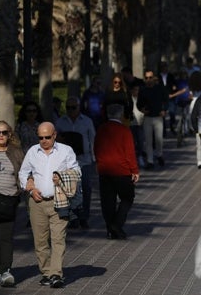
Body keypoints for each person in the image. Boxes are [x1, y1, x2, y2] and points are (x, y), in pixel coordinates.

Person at [19, 122, 81, 289]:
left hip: (58, 201)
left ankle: (56, 274)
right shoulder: (33, 151)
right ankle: (46, 272)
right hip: (37, 202)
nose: (44, 140)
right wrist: (30, 188)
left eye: (47, 137)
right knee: (40, 241)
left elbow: (77, 172)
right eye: (40, 137)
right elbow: (23, 172)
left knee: (58, 238)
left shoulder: (66, 150)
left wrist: (62, 176)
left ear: (54, 135)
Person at [94, 104, 140, 240]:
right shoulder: (124, 130)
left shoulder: (101, 129)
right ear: (120, 115)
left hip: (105, 169)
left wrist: (100, 163)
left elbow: (96, 148)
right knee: (127, 197)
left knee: (108, 201)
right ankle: (117, 224)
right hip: (121, 170)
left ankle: (110, 228)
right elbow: (130, 153)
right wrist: (134, 170)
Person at [55, 97, 96, 229]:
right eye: (68, 108)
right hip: (66, 163)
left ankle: (84, 217)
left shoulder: (87, 121)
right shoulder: (60, 122)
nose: (71, 110)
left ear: (79, 107)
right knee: (69, 191)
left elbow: (93, 139)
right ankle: (73, 217)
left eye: (74, 107)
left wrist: (94, 159)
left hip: (84, 161)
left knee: (86, 189)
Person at [0, 121, 24, 287]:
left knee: (6, 238)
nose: (1, 136)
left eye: (4, 132)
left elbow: (24, 174)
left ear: (9, 134)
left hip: (9, 201)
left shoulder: (17, 153)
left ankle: (5, 271)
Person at [137, 69, 169, 169]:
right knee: (148, 140)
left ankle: (159, 154)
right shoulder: (142, 90)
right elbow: (139, 104)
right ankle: (150, 161)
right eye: (146, 78)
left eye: (150, 77)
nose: (148, 80)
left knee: (159, 140)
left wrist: (164, 110)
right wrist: (142, 110)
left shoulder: (160, 88)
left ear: (154, 78)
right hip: (147, 118)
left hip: (158, 117)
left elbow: (166, 100)